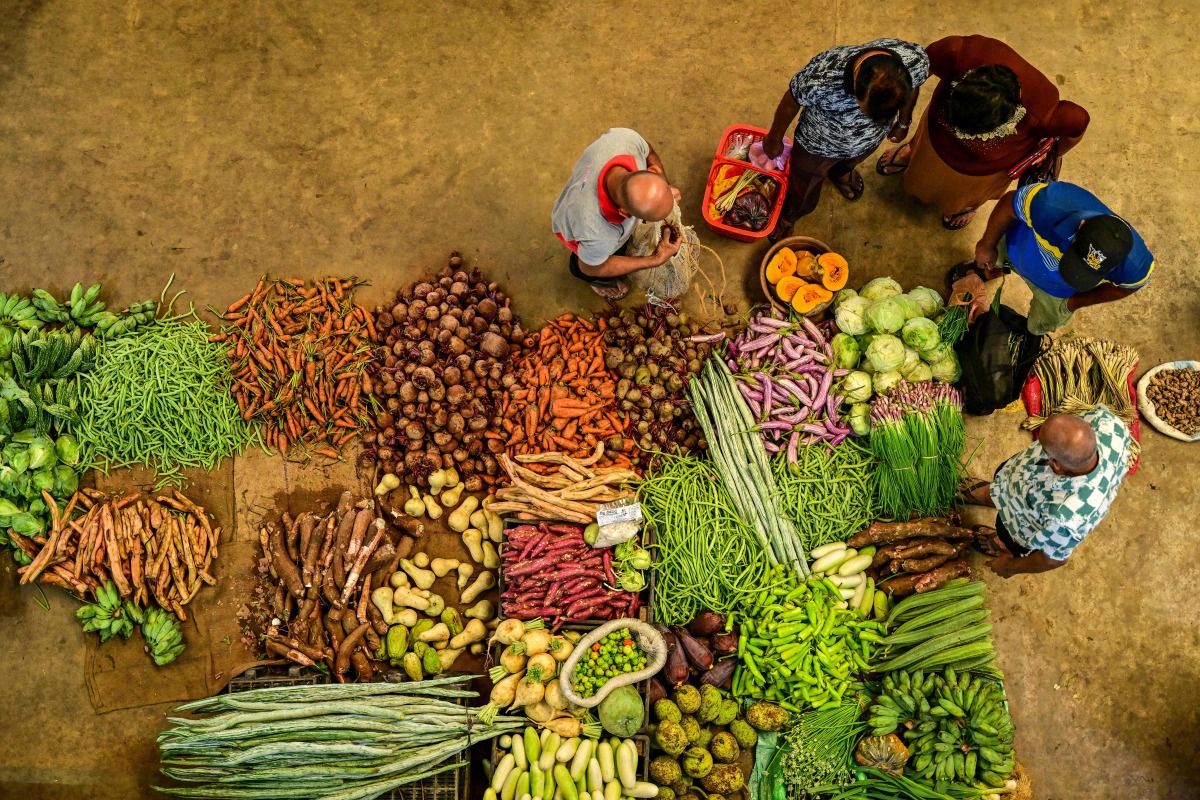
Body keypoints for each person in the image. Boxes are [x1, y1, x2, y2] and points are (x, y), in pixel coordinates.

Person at [877, 35, 1089, 230]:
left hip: (981, 173)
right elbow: (915, 74)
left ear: (1011, 116)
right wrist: (904, 122)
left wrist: (1055, 153)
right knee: (920, 169)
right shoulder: (958, 53)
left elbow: (1078, 123)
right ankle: (912, 151)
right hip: (933, 138)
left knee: (962, 197)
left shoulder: (1044, 110)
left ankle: (966, 205)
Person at [762, 38, 929, 242]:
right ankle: (791, 215)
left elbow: (913, 87)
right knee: (804, 184)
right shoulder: (821, 77)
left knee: (851, 162)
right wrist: (774, 137)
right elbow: (791, 101)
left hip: (867, 142)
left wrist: (903, 122)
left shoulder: (914, 60)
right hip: (818, 146)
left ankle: (841, 172)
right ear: (855, 89)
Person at [953, 180, 1155, 335]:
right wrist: (986, 244)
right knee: (996, 255)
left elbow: (1129, 288)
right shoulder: (1050, 204)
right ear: (1081, 226)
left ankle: (1029, 326)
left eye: (1085, 271)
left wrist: (1075, 303)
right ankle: (997, 269)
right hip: (1021, 245)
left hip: (1057, 292)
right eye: (1076, 259)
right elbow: (1009, 204)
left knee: (1039, 325)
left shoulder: (1135, 265)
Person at [965, 407, 1131, 577]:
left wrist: (1010, 566)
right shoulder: (1108, 422)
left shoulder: (1066, 519)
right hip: (1019, 476)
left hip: (1022, 523)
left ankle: (1001, 543)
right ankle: (992, 493)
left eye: (1043, 448)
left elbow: (1052, 559)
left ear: (1056, 466)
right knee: (1004, 483)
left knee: (1009, 536)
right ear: (1088, 425)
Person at [552, 128, 683, 300]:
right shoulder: (598, 232)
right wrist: (655, 259)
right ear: (624, 213)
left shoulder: (624, 140)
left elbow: (647, 149)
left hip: (580, 191)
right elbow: (590, 266)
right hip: (573, 224)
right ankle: (597, 282)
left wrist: (666, 185)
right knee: (590, 262)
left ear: (654, 171)